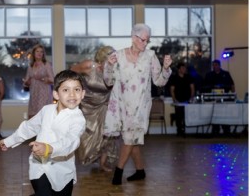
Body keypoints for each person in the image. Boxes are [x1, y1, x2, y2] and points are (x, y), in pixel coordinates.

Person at [103, 23, 172, 185]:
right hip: (121, 105)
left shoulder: (150, 56)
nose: (146, 43)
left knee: (129, 138)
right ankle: (140, 171)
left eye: (148, 40)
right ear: (134, 38)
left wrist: (166, 68)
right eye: (143, 40)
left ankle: (118, 173)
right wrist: (109, 66)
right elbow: (108, 81)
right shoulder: (118, 56)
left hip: (140, 106)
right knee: (131, 138)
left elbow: (159, 81)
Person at [0, 70, 86, 196]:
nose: (72, 94)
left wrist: (49, 148)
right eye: (66, 90)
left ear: (82, 94)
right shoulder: (46, 110)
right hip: (39, 165)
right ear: (56, 94)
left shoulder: (78, 119)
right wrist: (9, 141)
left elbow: (71, 140)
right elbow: (29, 127)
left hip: (62, 170)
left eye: (76, 89)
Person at [70, 46, 119, 171]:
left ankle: (103, 163)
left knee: (106, 134)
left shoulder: (115, 71)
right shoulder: (88, 66)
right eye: (111, 59)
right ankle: (92, 156)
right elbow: (71, 71)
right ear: (102, 59)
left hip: (105, 104)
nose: (114, 62)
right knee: (87, 135)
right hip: (87, 105)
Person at [204, 59, 235, 135]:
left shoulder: (226, 74)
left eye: (216, 65)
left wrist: (233, 94)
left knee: (225, 114)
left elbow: (232, 85)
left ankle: (226, 129)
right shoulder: (209, 75)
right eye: (213, 65)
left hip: (224, 98)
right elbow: (205, 86)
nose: (215, 67)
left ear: (219, 65)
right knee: (215, 114)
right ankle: (215, 129)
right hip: (213, 98)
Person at [23, 44, 55, 118]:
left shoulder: (46, 64)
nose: (39, 53)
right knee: (32, 117)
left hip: (44, 93)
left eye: (41, 52)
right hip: (34, 93)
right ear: (33, 53)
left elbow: (52, 80)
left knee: (42, 116)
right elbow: (26, 82)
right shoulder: (31, 66)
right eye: (37, 51)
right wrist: (27, 82)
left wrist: (42, 79)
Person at [169, 63, 195, 136]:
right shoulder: (174, 78)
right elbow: (172, 90)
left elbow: (192, 88)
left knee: (185, 115)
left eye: (185, 68)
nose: (184, 69)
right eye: (182, 68)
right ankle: (179, 130)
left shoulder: (188, 77)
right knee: (179, 116)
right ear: (179, 69)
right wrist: (174, 99)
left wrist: (191, 97)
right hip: (178, 100)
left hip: (187, 100)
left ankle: (184, 129)